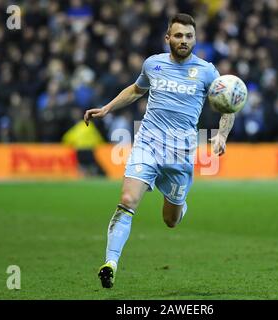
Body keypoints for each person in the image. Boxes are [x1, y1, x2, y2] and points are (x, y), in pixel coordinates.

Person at [83, 13, 235, 288]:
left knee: (171, 220)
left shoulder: (207, 72)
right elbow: (136, 89)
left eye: (189, 36)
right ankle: (110, 263)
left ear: (195, 38)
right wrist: (106, 108)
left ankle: (180, 202)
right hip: (148, 144)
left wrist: (221, 136)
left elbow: (229, 105)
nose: (184, 41)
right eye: (178, 35)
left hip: (180, 154)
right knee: (128, 200)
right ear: (168, 38)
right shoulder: (153, 64)